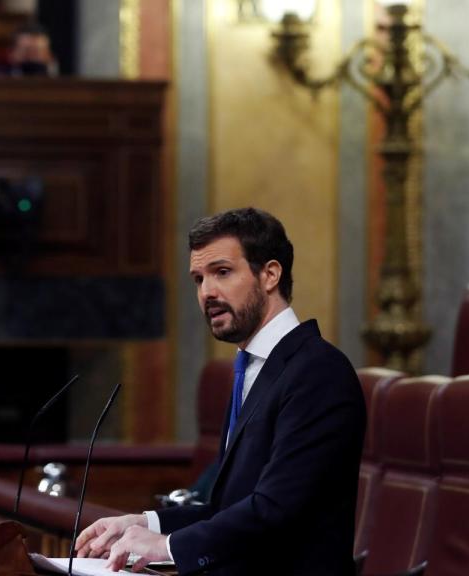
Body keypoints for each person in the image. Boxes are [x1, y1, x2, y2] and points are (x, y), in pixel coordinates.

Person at [75, 208, 366, 575]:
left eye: (222, 273)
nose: (207, 293)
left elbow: (276, 508)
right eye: (198, 279)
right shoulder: (254, 368)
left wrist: (167, 546)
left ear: (270, 274)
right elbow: (228, 507)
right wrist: (141, 523)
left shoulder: (317, 371)